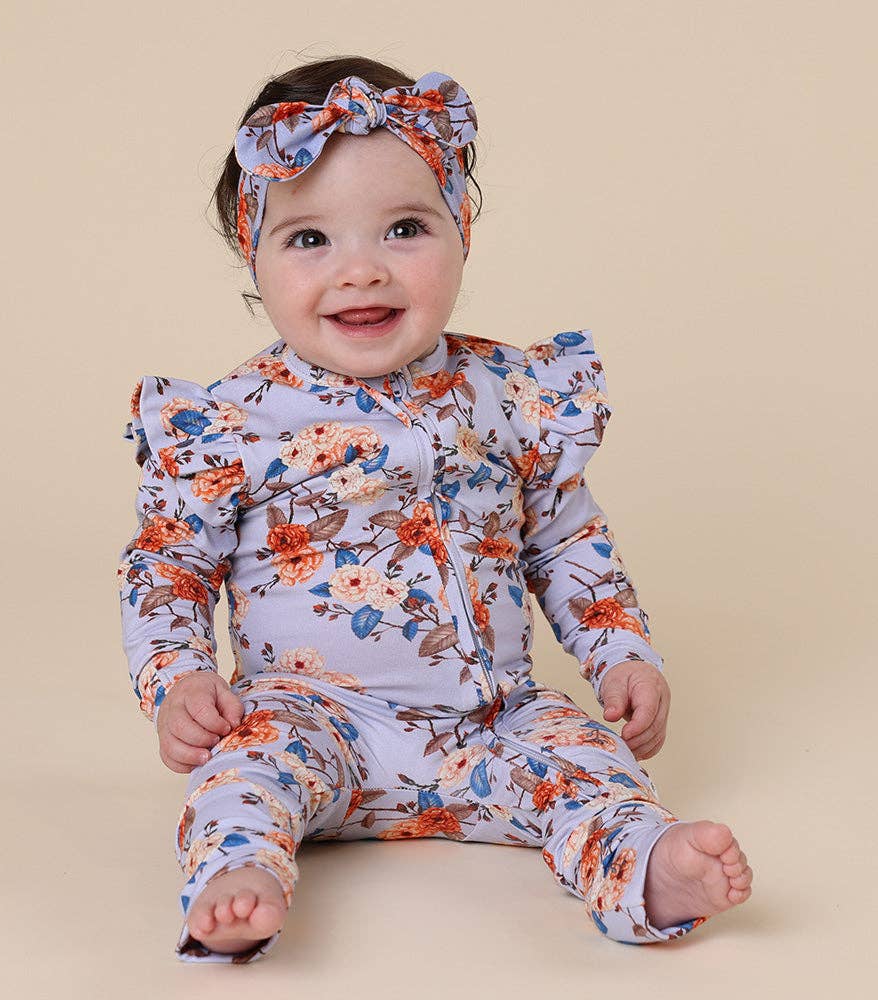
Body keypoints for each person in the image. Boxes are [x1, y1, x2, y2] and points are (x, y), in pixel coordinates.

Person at [116, 56, 753, 964]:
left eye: (405, 228)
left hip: (492, 723)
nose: (361, 271)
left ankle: (641, 865)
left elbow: (565, 538)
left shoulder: (509, 394)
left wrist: (621, 652)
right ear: (252, 256)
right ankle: (240, 872)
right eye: (309, 239)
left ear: (462, 232)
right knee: (242, 771)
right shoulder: (234, 423)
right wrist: (178, 679)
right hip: (313, 719)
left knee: (585, 758)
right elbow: (169, 563)